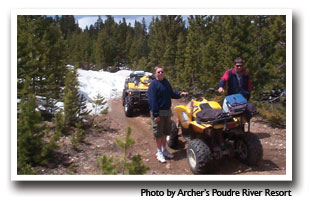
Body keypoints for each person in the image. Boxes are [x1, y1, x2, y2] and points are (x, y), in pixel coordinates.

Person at [148, 65, 188, 163]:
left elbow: (171, 93)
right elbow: (152, 101)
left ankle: (164, 149)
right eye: (159, 72)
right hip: (158, 112)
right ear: (155, 73)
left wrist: (180, 94)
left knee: (165, 132)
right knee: (158, 133)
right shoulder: (153, 85)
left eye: (162, 72)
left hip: (167, 111)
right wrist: (156, 114)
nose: (161, 73)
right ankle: (159, 152)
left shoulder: (166, 82)